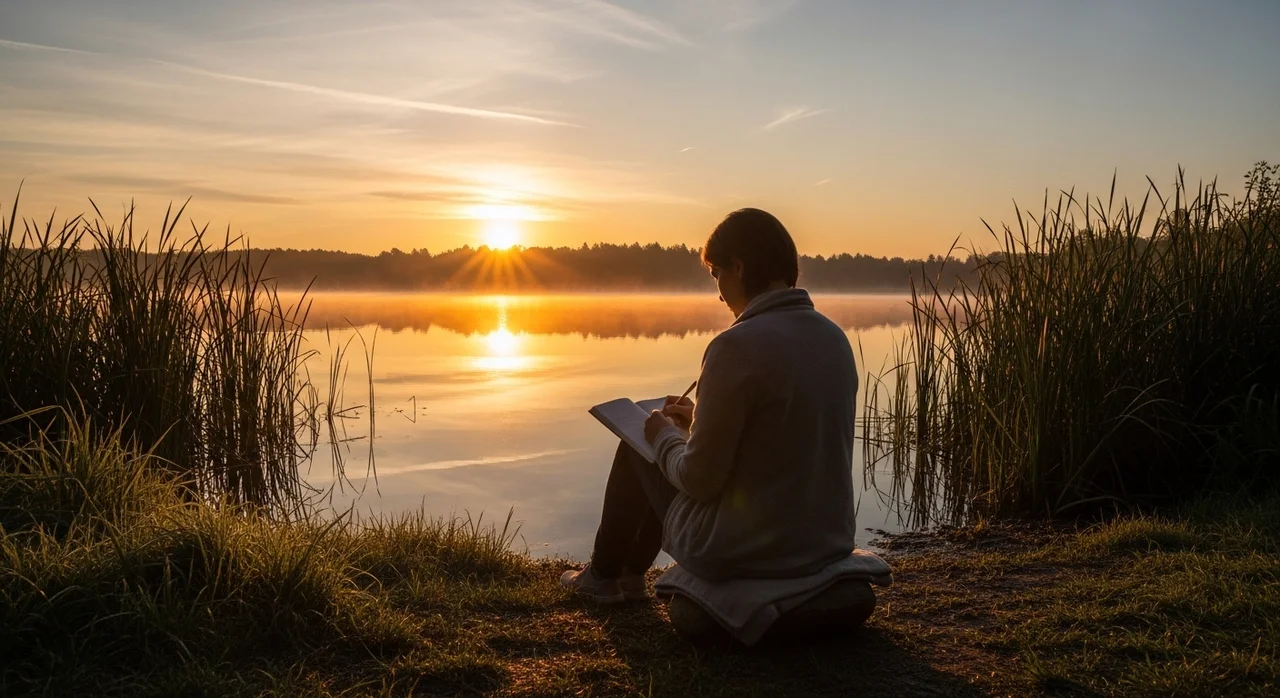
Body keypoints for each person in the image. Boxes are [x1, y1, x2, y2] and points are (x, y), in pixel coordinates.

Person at [561, 208, 859, 604]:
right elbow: (778, 440)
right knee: (668, 436)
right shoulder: (835, 339)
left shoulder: (735, 346)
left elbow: (701, 481)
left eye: (716, 273)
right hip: (823, 543)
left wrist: (663, 435)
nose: (718, 291)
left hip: (747, 549)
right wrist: (697, 421)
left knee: (638, 443)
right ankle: (631, 576)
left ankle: (602, 578)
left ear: (738, 267)